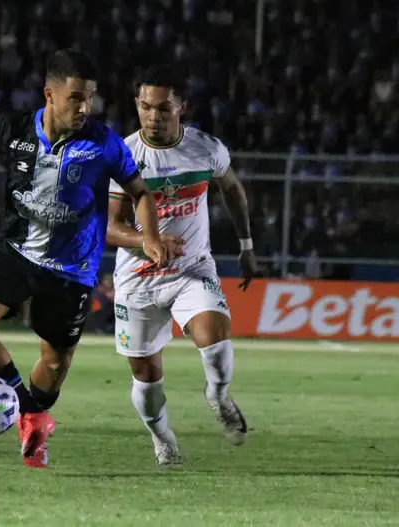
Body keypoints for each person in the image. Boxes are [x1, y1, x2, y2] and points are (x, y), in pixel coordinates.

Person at [0, 49, 167, 468]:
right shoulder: (11, 128)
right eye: (75, 97)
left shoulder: (103, 142)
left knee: (54, 362)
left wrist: (150, 237)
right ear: (49, 95)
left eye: (89, 98)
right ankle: (31, 417)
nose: (84, 107)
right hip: (16, 249)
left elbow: (140, 191)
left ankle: (32, 427)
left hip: (71, 268)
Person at [107, 65, 259, 466]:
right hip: (137, 279)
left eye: (162, 108)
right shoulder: (123, 156)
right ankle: (163, 439)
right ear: (137, 106)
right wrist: (148, 241)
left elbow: (232, 189)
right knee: (146, 375)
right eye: (145, 108)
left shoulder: (206, 148)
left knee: (215, 334)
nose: (153, 117)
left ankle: (218, 395)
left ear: (181, 108)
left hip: (191, 268)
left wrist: (246, 245)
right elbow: (109, 228)